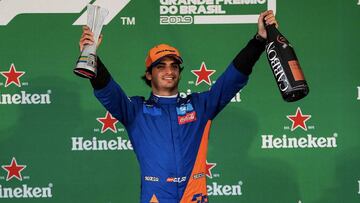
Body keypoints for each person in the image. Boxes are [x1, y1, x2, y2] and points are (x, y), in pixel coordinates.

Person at [79, 10, 278, 203]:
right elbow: (108, 91)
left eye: (174, 66)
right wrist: (91, 55)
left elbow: (231, 80)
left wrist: (259, 41)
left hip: (194, 196)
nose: (169, 71)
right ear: (149, 74)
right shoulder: (136, 111)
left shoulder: (200, 106)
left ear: (180, 73)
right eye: (161, 66)